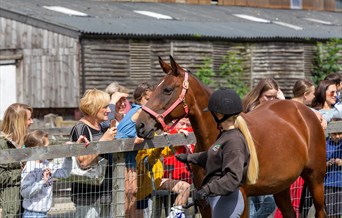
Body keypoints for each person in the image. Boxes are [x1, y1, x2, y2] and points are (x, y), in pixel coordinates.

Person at [176, 88, 259, 218]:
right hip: (221, 199)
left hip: (227, 201)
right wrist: (189, 157)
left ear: (219, 115)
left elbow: (232, 178)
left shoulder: (234, 142)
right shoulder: (225, 135)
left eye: (212, 113)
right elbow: (213, 156)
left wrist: (206, 190)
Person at [69, 88, 117, 218]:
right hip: (87, 195)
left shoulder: (103, 127)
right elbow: (83, 161)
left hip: (105, 191)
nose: (108, 110)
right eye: (105, 107)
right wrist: (104, 140)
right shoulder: (80, 128)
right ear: (94, 108)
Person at [21, 130, 88, 217]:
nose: (49, 150)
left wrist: (68, 157)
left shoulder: (46, 164)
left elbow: (64, 173)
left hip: (44, 213)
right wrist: (42, 182)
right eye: (47, 147)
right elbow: (25, 192)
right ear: (38, 149)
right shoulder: (30, 167)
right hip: (32, 214)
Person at [115, 82, 154, 217]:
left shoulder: (141, 111)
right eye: (148, 100)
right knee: (126, 191)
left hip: (131, 156)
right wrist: (134, 139)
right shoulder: (139, 111)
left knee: (133, 191)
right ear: (139, 98)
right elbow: (120, 134)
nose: (150, 103)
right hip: (123, 156)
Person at [242, 79, 280, 217]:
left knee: (260, 205)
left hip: (265, 165)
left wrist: (279, 99)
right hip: (253, 165)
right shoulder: (253, 111)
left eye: (274, 96)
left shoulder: (270, 109)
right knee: (267, 204)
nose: (272, 100)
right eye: (268, 97)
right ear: (259, 95)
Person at [136, 145, 191, 218]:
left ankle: (176, 214)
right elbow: (148, 163)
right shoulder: (138, 148)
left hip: (157, 181)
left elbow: (167, 151)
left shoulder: (153, 137)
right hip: (143, 188)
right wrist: (158, 149)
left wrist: (176, 142)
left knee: (185, 187)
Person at [0, 103, 33, 217]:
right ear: (18, 121)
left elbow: (48, 146)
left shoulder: (26, 141)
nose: (31, 122)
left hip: (28, 206)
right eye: (29, 119)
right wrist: (24, 172)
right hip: (9, 209)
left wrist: (72, 145)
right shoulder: (2, 145)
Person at [324, 119, 342, 217]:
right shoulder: (325, 144)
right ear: (330, 133)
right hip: (328, 182)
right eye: (335, 134)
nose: (338, 136)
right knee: (329, 211)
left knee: (338, 211)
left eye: (340, 133)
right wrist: (327, 163)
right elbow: (319, 163)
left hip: (340, 182)